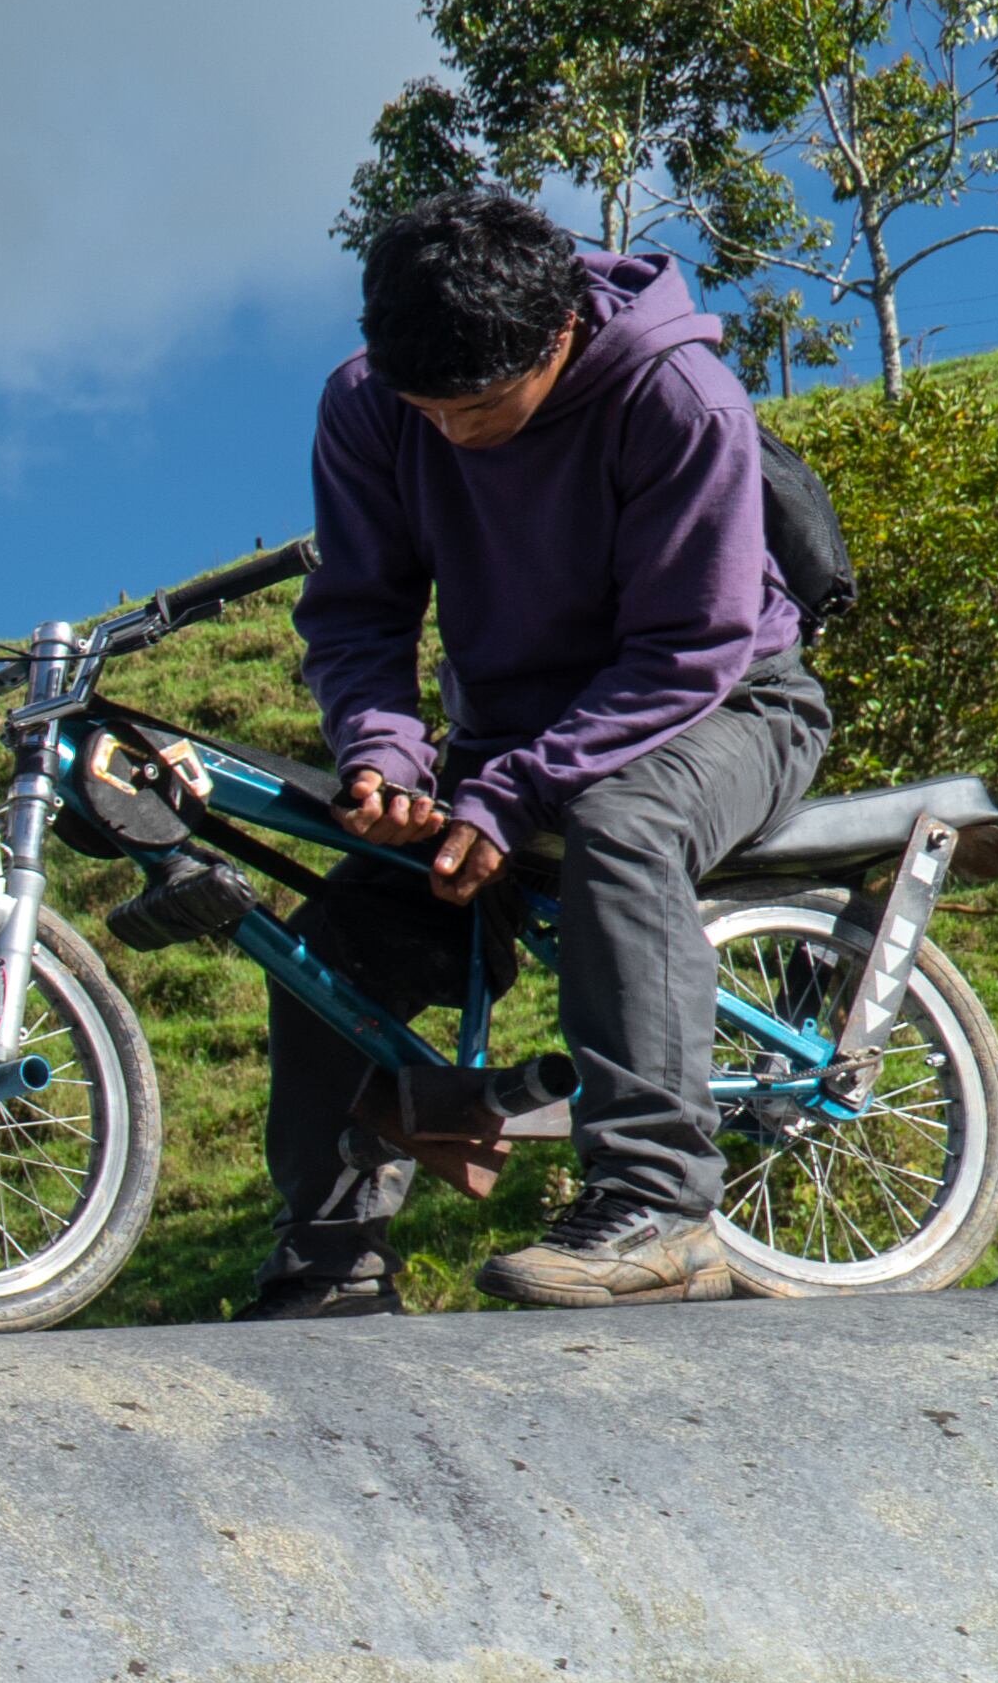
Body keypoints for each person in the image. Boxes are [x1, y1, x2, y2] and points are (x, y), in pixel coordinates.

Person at [252, 188, 828, 1315]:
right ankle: (326, 1261)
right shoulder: (371, 407)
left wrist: (512, 795)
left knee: (620, 829)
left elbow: (687, 646)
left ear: (557, 337)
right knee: (337, 934)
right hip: (512, 741)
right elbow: (359, 612)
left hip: (726, 704)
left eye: (474, 407)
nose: (446, 433)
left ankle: (659, 1208)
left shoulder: (676, 401)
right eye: (423, 407)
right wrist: (384, 755)